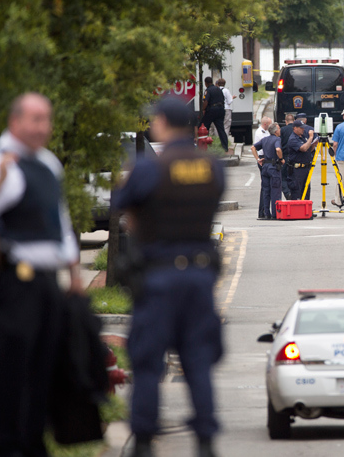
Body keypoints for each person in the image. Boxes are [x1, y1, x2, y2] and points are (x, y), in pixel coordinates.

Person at [113, 97, 224, 457]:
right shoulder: (211, 166)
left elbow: (122, 204)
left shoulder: (149, 169)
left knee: (147, 361)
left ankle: (143, 441)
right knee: (197, 361)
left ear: (161, 122)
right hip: (199, 275)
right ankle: (205, 441)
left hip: (159, 276)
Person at [0, 93, 84, 456]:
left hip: (46, 282)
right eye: (34, 119)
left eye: (46, 119)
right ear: (14, 122)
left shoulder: (48, 163)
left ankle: (33, 443)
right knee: (11, 373)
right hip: (11, 283)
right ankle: (7, 446)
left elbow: (61, 219)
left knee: (43, 371)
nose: (42, 127)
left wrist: (74, 274)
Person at [252, 123, 284, 219]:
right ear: (275, 131)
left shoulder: (265, 139)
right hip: (273, 167)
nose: (280, 130)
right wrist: (281, 158)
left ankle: (267, 214)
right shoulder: (277, 139)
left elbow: (253, 147)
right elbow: (278, 149)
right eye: (278, 129)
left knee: (266, 191)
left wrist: (258, 159)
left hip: (265, 167)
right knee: (275, 191)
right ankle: (275, 214)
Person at [287, 119, 318, 200]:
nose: (303, 129)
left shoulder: (302, 137)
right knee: (297, 192)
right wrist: (311, 138)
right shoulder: (293, 139)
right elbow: (303, 148)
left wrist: (313, 144)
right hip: (297, 170)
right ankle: (297, 212)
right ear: (295, 128)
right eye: (301, 128)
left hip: (305, 168)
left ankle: (306, 211)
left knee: (306, 191)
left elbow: (307, 150)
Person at [252, 116, 272, 218]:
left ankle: (264, 210)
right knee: (265, 187)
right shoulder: (260, 133)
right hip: (263, 158)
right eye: (269, 124)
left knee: (266, 186)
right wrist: (257, 159)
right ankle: (263, 211)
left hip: (266, 158)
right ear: (265, 124)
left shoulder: (266, 131)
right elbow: (255, 147)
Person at [201, 76, 227, 151]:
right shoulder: (218, 89)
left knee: (204, 126)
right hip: (221, 109)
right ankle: (225, 147)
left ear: (206, 83)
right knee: (221, 129)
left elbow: (206, 101)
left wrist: (203, 109)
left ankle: (203, 146)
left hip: (212, 110)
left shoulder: (208, 90)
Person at [280, 113, 296, 200]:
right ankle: (294, 194)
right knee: (293, 176)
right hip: (295, 157)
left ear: (286, 121)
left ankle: (287, 193)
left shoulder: (282, 130)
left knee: (283, 177)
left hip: (285, 156)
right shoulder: (295, 130)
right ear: (294, 121)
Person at [217, 78, 236, 147]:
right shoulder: (226, 91)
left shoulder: (216, 90)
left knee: (218, 125)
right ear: (224, 84)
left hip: (218, 109)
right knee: (226, 125)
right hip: (226, 109)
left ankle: (218, 139)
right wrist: (232, 97)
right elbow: (229, 101)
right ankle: (224, 141)